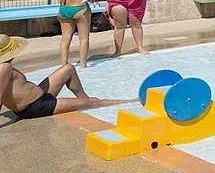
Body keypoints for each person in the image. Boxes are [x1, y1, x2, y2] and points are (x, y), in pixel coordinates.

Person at [1, 38, 130, 119]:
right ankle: (128, 102)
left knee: (68, 69)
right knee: (95, 102)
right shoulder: (4, 67)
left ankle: (84, 99)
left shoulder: (5, 66)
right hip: (35, 107)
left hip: (39, 97)